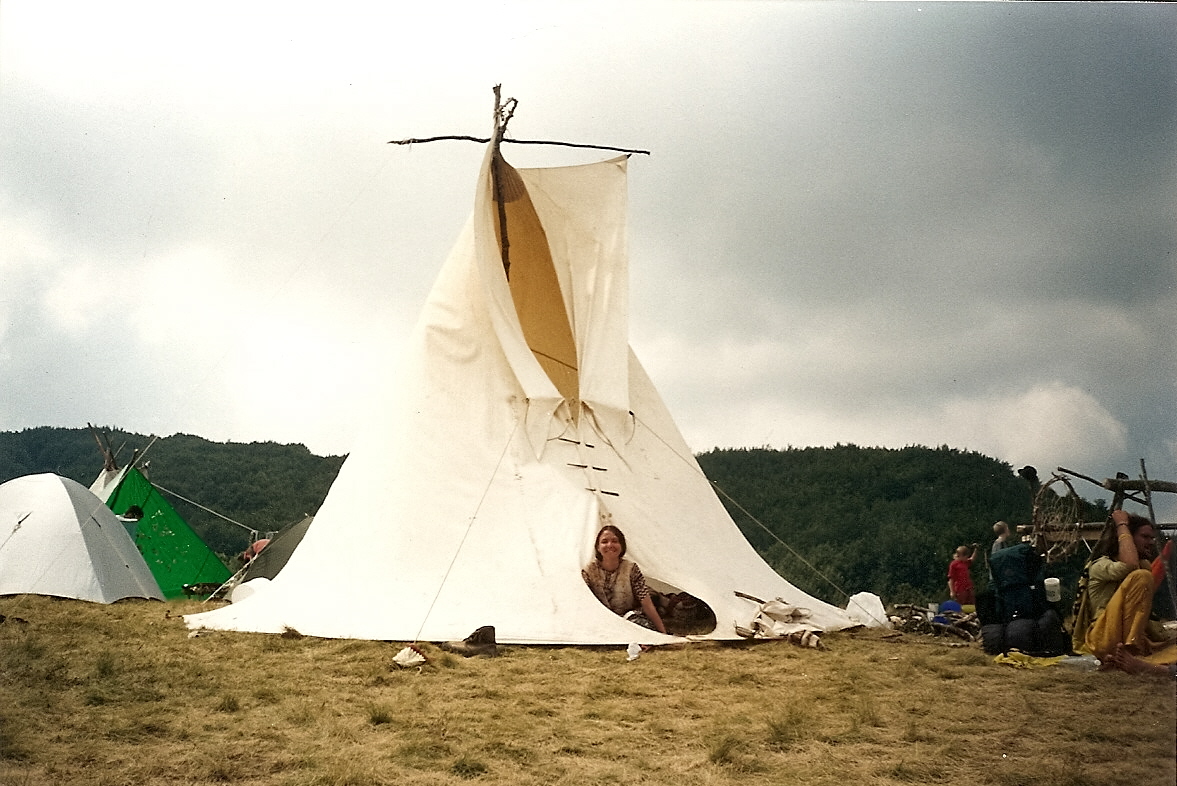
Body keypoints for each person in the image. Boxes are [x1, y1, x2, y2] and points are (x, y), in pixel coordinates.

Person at [1071, 510, 1175, 662]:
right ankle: (1130, 651)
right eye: (1145, 537)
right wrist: (1122, 525)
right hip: (1103, 638)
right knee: (1142, 576)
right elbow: (1129, 565)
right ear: (1127, 538)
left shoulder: (1143, 565)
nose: (1151, 542)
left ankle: (1134, 652)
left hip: (1127, 638)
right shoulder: (1101, 565)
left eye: (1152, 538)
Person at [582, 524, 667, 635]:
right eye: (604, 542)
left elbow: (646, 603)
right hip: (601, 619)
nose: (610, 545)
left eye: (615, 541)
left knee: (642, 627)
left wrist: (663, 633)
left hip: (628, 618)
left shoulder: (631, 569)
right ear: (598, 547)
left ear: (622, 546)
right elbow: (583, 602)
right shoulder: (588, 571)